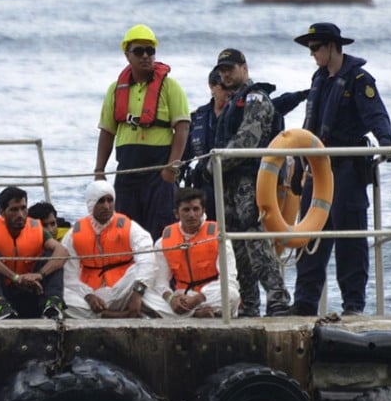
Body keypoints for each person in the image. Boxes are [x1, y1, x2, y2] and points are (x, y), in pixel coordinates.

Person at [291, 23, 391, 316]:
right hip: (317, 168)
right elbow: (309, 123)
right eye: (310, 49)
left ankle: (353, 305)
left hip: (347, 167)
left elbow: (376, 113)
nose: (312, 55)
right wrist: (299, 164)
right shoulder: (319, 79)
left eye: (316, 48)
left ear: (333, 47)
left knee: (350, 237)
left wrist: (386, 142)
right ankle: (304, 302)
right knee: (309, 236)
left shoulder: (359, 79)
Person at [212, 49, 292, 317]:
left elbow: (249, 138)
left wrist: (216, 162)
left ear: (244, 68)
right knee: (237, 244)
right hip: (230, 180)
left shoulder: (255, 98)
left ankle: (277, 297)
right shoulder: (232, 102)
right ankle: (250, 304)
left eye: (230, 68)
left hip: (251, 178)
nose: (226, 74)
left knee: (255, 238)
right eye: (222, 70)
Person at [94, 24, 190, 241]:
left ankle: (162, 274)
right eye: (139, 51)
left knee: (162, 230)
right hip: (127, 171)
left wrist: (172, 167)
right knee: (126, 231)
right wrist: (99, 170)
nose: (145, 56)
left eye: (150, 51)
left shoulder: (170, 86)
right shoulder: (115, 89)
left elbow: (182, 128)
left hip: (160, 171)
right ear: (127, 55)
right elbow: (107, 131)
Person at [61, 181, 168, 319]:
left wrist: (137, 294)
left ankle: (105, 314)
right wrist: (88, 295)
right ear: (91, 204)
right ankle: (113, 315)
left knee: (139, 270)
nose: (106, 206)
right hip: (92, 296)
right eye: (101, 201)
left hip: (125, 291)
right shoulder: (73, 234)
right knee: (61, 297)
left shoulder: (129, 227)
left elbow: (147, 259)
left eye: (110, 200)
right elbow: (69, 276)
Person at [0, 186, 68, 319]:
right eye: (14, 210)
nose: (20, 215)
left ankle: (52, 304)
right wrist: (15, 277)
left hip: (30, 291)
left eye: (23, 208)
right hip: (3, 291)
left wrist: (39, 275)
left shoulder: (37, 229)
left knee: (52, 256)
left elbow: (62, 251)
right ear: (2, 212)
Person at [152, 188, 240, 319]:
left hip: (209, 296)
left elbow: (229, 279)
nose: (191, 215)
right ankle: (195, 314)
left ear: (203, 211)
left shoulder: (219, 236)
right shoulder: (163, 242)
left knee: (232, 294)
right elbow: (160, 282)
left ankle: (187, 314)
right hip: (182, 297)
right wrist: (171, 299)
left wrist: (197, 300)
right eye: (186, 210)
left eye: (196, 209)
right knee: (146, 295)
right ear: (176, 213)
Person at [182, 69, 229, 221]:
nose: (228, 92)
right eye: (223, 87)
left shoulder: (238, 113)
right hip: (204, 182)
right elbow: (185, 154)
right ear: (212, 87)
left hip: (230, 179)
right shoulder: (198, 116)